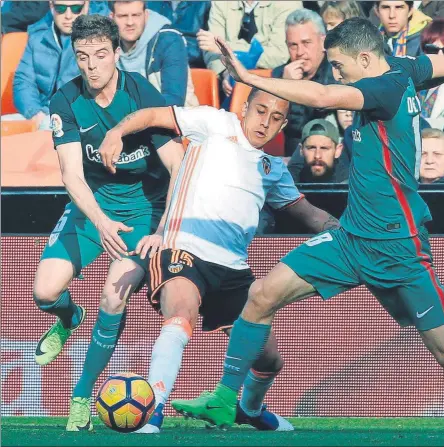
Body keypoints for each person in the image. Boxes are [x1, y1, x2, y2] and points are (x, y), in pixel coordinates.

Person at [167, 17, 444, 431]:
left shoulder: (381, 88)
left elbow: (322, 94)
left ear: (364, 58)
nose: (337, 75)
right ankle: (228, 399)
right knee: (261, 295)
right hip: (350, 238)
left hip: (397, 247)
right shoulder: (403, 68)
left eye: (340, 66)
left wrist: (250, 76)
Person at [97, 90, 342, 432]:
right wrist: (116, 132)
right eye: (260, 110)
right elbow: (152, 115)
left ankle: (250, 409)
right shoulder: (213, 122)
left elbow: (310, 215)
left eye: (275, 118)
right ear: (245, 108)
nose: (265, 122)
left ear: (284, 125)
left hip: (234, 271)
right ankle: (152, 409)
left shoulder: (272, 168)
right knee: (181, 316)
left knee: (270, 359)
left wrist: (352, 234)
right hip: (183, 250)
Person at [32, 14, 184, 432]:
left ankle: (81, 395)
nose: (92, 65)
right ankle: (68, 318)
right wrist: (99, 221)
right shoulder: (65, 100)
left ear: (117, 53)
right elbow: (71, 176)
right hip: (92, 209)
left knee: (112, 297)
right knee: (44, 292)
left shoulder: (142, 95)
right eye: (83, 57)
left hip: (144, 214)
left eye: (100, 55)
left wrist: (162, 228)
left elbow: (177, 166)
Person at [6, 1, 88, 130]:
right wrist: (34, 113)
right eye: (60, 8)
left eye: (76, 8)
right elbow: (23, 81)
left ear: (86, 5)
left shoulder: (98, 39)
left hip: (76, 121)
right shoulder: (37, 37)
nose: (68, 15)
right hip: (39, 114)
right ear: (51, 6)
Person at [198, 1, 302, 99]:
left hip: (272, 81)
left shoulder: (288, 3)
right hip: (227, 82)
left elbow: (280, 54)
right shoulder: (220, 3)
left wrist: (225, 48)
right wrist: (226, 71)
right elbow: (209, 47)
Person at [273, 8, 338, 156]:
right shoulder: (278, 76)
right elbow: (270, 125)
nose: (300, 52)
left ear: (323, 42)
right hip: (291, 156)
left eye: (306, 42)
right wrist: (285, 87)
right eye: (293, 45)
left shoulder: (338, 73)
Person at [110, 0, 198, 107]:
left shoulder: (169, 40)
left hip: (175, 118)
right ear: (112, 17)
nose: (130, 22)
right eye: (123, 16)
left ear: (146, 15)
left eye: (136, 15)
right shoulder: (105, 43)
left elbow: (174, 101)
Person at [289, 118, 348, 183]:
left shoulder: (349, 185)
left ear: (337, 151)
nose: (317, 155)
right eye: (311, 148)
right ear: (301, 150)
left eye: (324, 148)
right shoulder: (290, 183)